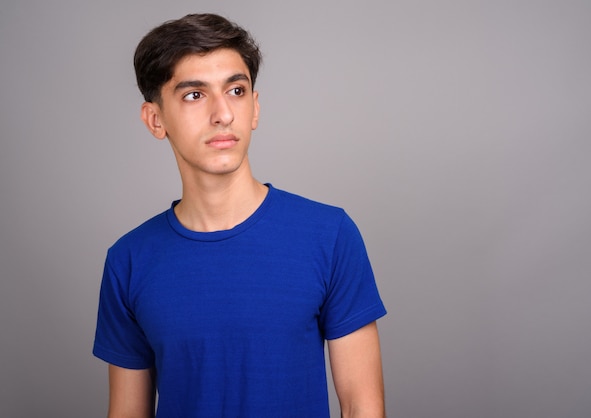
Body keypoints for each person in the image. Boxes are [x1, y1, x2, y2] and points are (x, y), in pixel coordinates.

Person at [93, 13, 386, 418]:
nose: (223, 114)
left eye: (235, 90)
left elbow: (362, 407)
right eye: (194, 95)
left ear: (255, 108)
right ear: (155, 119)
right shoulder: (129, 260)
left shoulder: (329, 235)